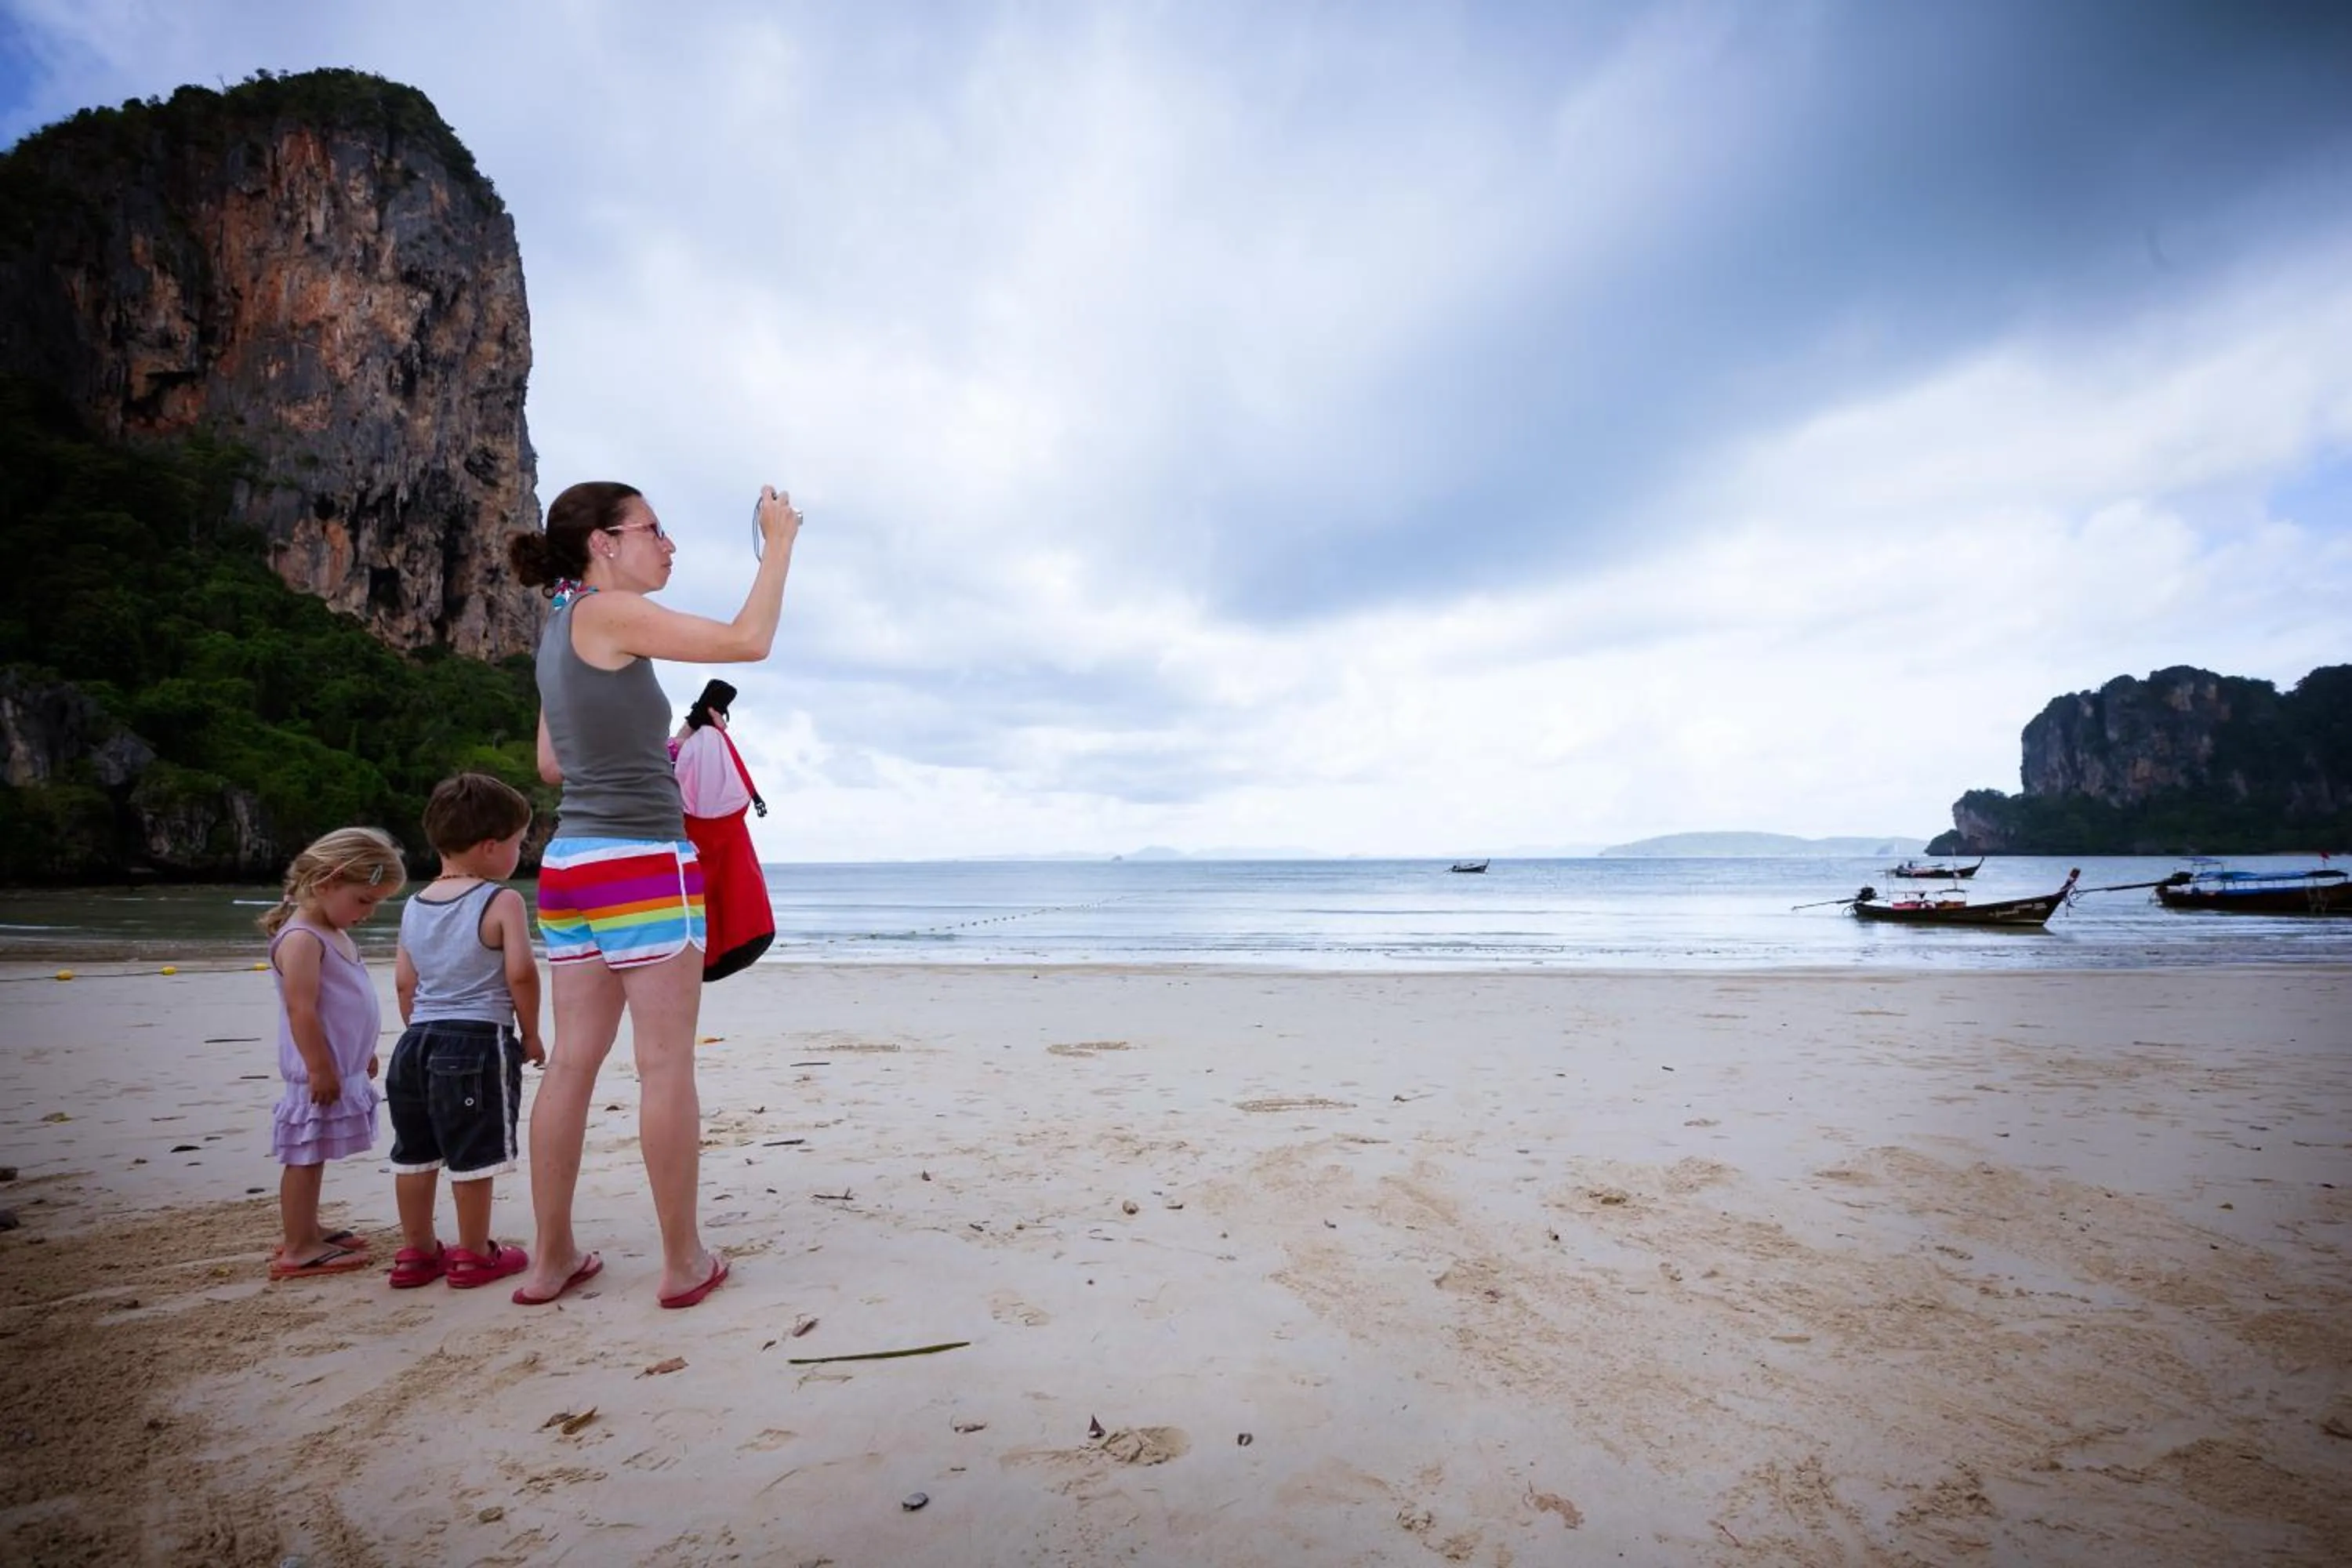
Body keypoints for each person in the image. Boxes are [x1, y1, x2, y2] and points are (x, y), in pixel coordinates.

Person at [505, 479, 801, 1308]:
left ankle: (550, 1258)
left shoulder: (560, 628)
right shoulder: (607, 613)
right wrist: (777, 543)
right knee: (664, 1066)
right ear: (604, 542)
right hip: (641, 859)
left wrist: (655, 745)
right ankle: (681, 1262)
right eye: (653, 529)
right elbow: (748, 639)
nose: (667, 544)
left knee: (571, 1064)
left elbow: (555, 765)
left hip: (571, 867)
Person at [385, 774, 545, 1290]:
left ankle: (417, 1251)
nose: (521, 854)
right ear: (491, 846)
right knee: (472, 1154)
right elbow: (520, 972)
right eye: (520, 843)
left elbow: (405, 981)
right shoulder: (502, 902)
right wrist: (532, 1033)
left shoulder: (413, 905)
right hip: (476, 1040)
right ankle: (474, 1254)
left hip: (416, 1043)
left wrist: (419, 1030)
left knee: (415, 1151)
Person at [261, 826, 406, 1280]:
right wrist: (321, 1068)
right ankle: (299, 1246)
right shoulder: (303, 938)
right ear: (326, 882)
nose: (369, 912)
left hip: (337, 1065)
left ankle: (306, 1226)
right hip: (314, 1073)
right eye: (364, 900)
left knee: (315, 1151)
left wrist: (360, 1053)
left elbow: (344, 1003)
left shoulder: (330, 930)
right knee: (304, 1154)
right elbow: (301, 1010)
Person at [673, 678, 776, 982]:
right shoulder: (715, 802)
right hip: (733, 933)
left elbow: (670, 757)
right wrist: (702, 728)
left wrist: (694, 726)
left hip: (669, 907)